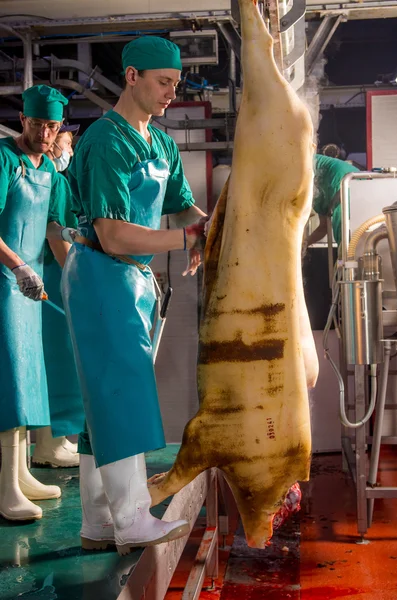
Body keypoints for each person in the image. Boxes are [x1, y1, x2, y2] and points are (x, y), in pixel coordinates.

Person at [62, 36, 208, 554]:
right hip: (101, 274)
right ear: (130, 76)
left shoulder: (162, 143)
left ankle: (98, 521)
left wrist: (216, 228)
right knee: (120, 393)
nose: (172, 92)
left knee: (100, 402)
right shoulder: (106, 142)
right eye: (163, 82)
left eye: (175, 83)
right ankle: (131, 519)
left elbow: (185, 207)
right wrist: (187, 239)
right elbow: (114, 234)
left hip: (132, 283)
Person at [0, 85, 74, 521]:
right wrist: (17, 267)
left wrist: (77, 282)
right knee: (9, 377)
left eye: (53, 126)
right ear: (23, 120)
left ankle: (22, 472)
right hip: (5, 281)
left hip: (31, 286)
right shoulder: (4, 159)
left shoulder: (51, 173)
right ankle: (5, 485)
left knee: (29, 375)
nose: (45, 133)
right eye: (38, 124)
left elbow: (54, 234)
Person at [32, 125, 84, 468]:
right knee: (59, 365)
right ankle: (48, 446)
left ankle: (53, 442)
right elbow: (56, 238)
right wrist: (77, 284)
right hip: (53, 278)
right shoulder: (55, 181)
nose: (67, 151)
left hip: (44, 276)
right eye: (65, 144)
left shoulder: (47, 180)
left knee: (55, 366)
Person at [305, 154, 360, 248]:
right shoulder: (319, 196)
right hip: (344, 177)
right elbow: (323, 227)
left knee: (342, 219)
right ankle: (346, 253)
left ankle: (346, 254)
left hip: (341, 176)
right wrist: (305, 244)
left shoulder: (297, 161)